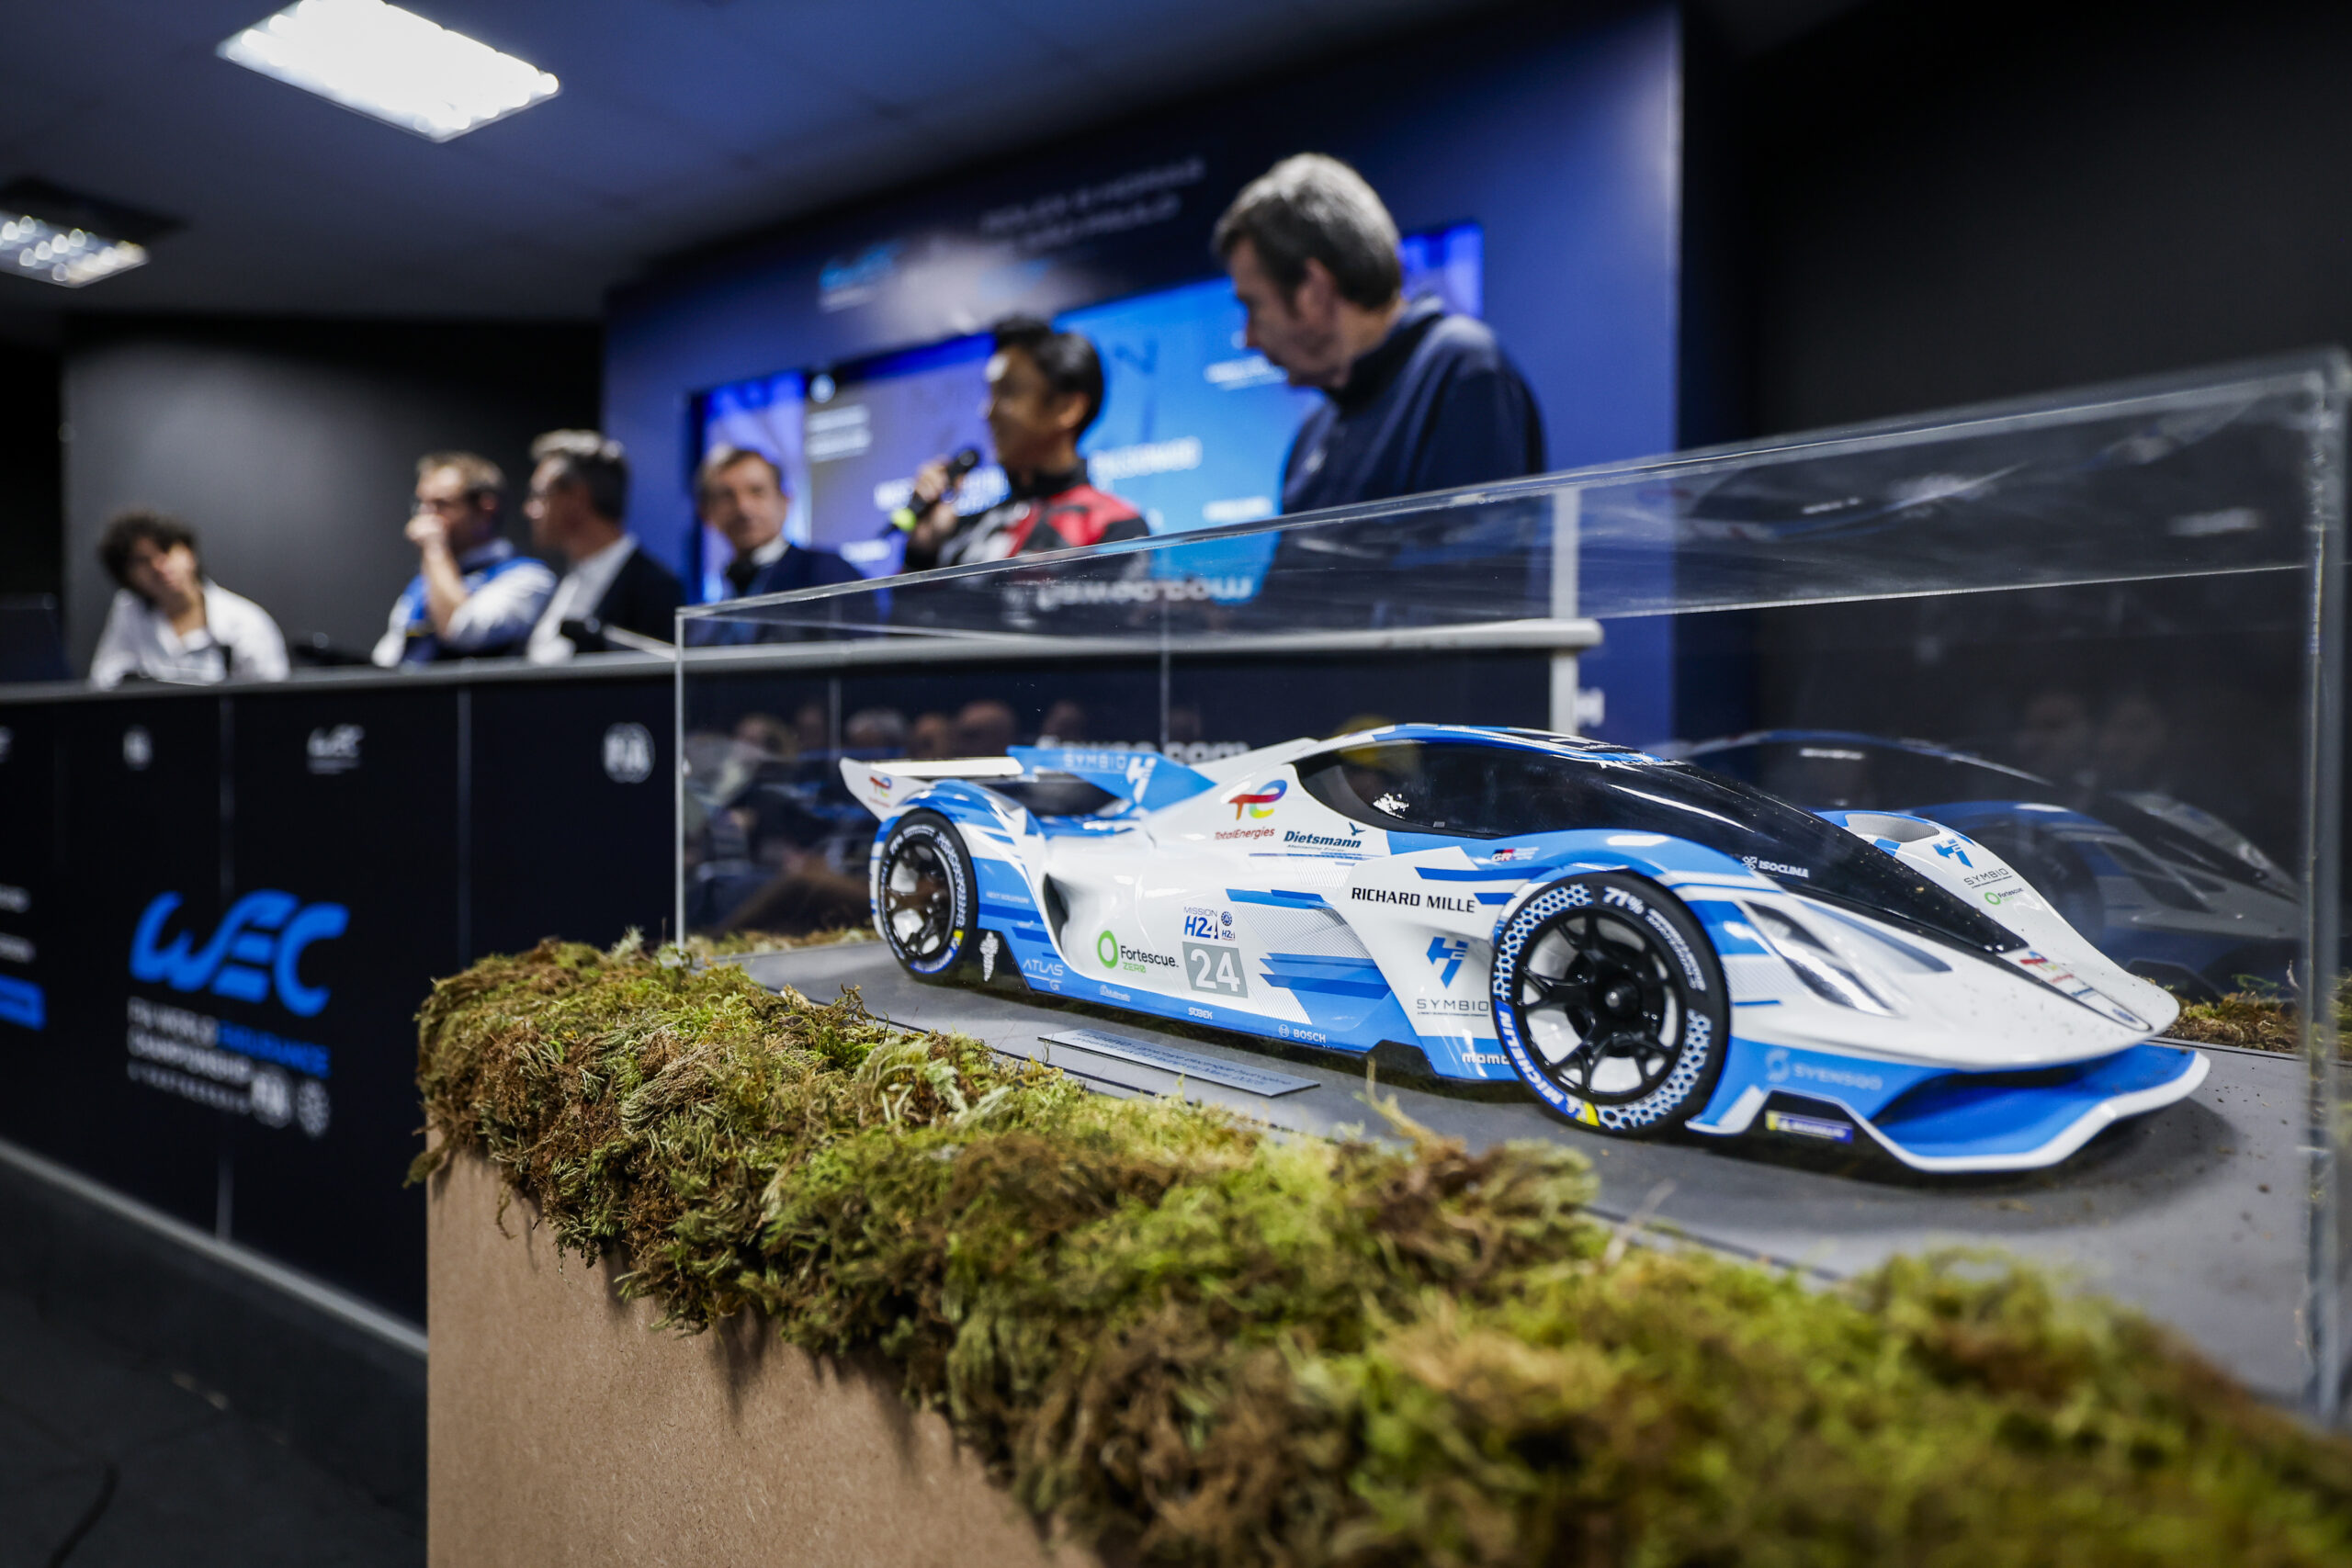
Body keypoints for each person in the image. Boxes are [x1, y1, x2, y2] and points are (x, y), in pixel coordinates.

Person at [1215, 153, 1544, 513]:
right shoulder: (1312, 434)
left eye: (1253, 306)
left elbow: (1477, 546)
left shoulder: (1463, 371)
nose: (1248, 338)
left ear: (1314, 290)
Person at [900, 316, 1150, 570]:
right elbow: (902, 597)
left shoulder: (1115, 525)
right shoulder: (963, 530)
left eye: (1008, 391)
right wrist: (922, 551)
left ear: (1068, 407)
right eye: (991, 393)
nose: (988, 411)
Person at [372, 453, 555, 667]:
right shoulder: (422, 584)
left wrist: (434, 547)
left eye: (441, 504)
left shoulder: (529, 578)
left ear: (486, 509)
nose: (426, 517)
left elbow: (460, 630)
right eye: (422, 504)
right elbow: (387, 659)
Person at [521, 431, 683, 661]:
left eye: (540, 495)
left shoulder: (656, 588)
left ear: (577, 499)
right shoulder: (567, 581)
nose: (529, 510)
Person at [89, 509, 288, 688]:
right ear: (127, 575)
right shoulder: (129, 610)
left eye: (167, 550)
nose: (159, 566)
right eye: (143, 560)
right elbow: (104, 681)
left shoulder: (245, 622)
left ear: (190, 554)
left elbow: (272, 699)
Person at [698, 446, 861, 599]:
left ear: (784, 502)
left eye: (757, 491)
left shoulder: (827, 572)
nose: (743, 507)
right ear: (706, 512)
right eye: (727, 496)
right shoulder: (715, 591)